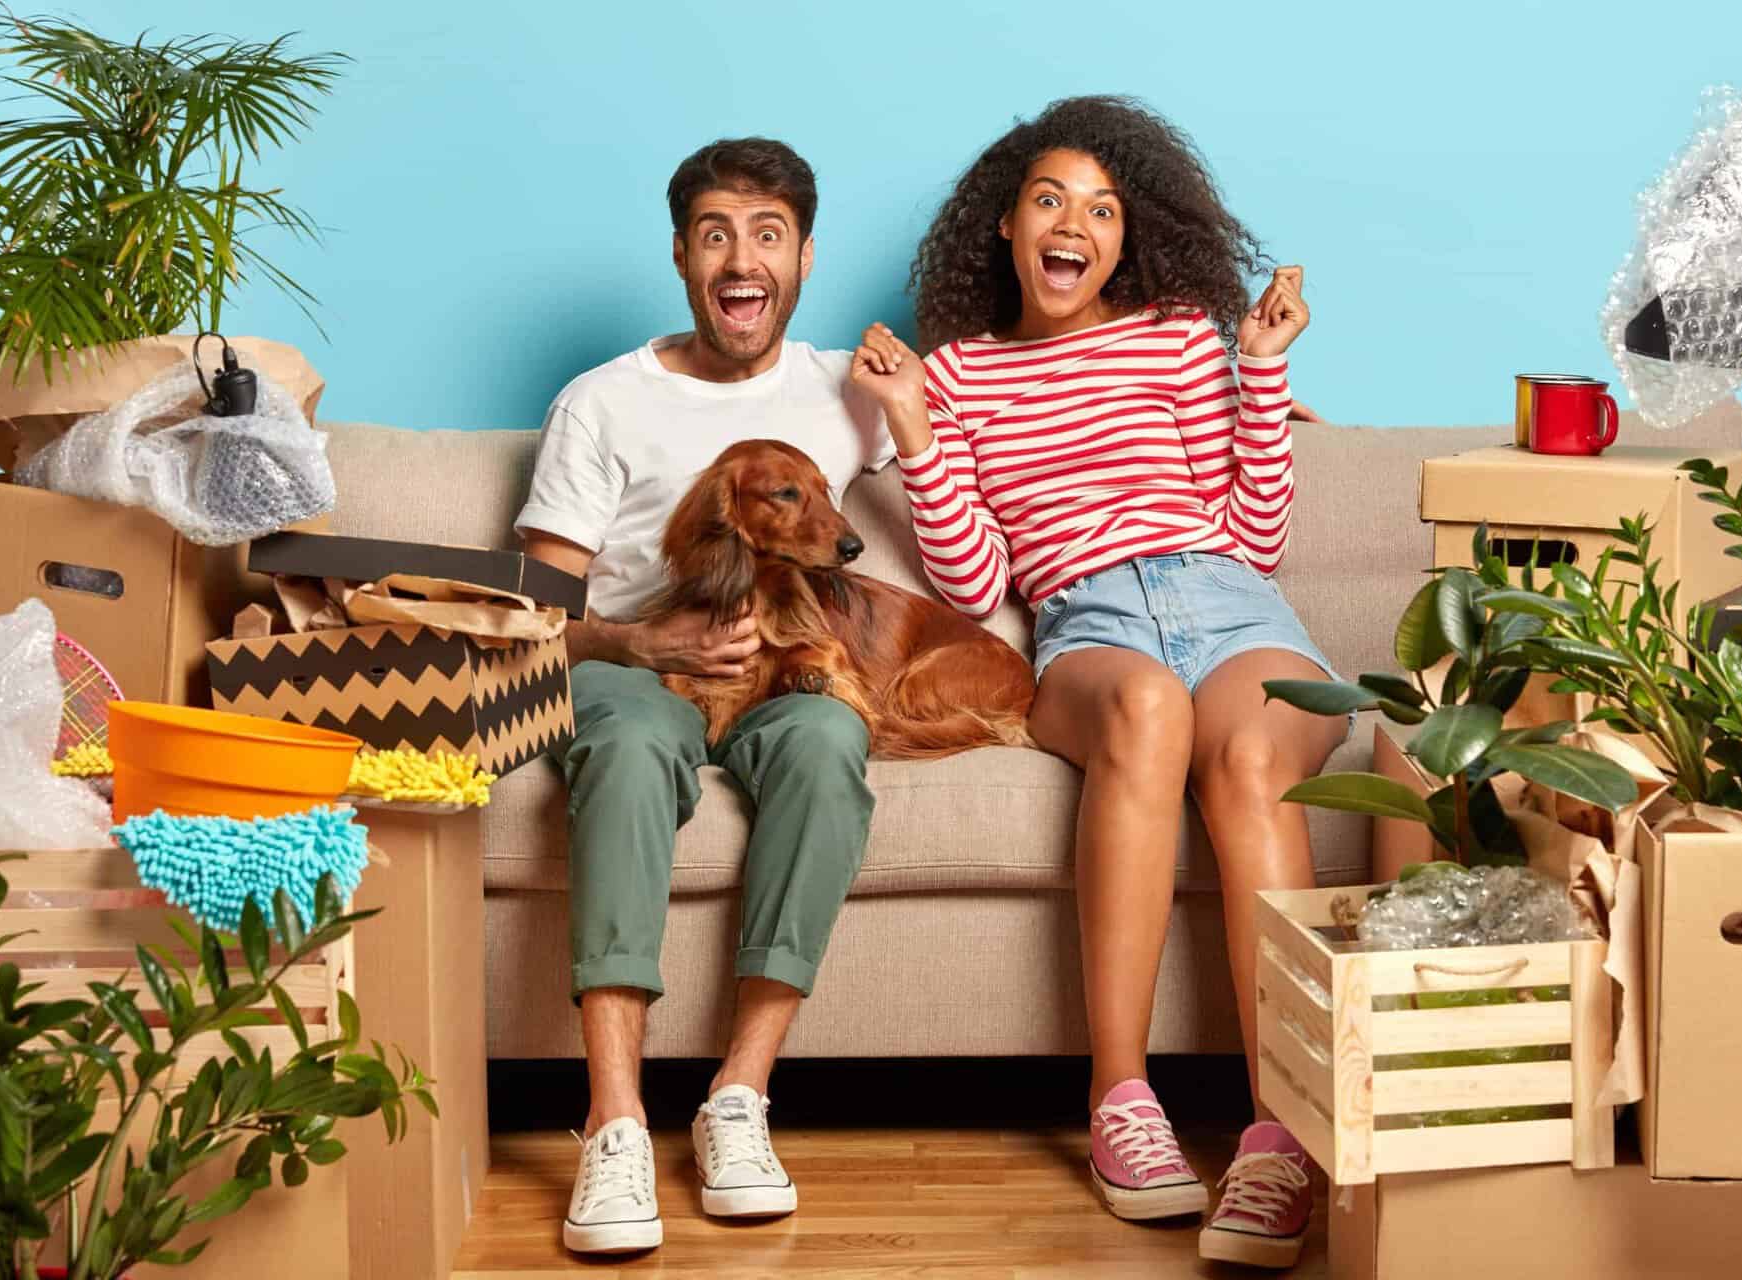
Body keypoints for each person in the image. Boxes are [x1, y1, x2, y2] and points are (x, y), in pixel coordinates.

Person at [850, 95, 1339, 1270]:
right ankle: (1121, 1099)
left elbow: (1254, 534)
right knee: (1146, 706)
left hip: (1228, 598)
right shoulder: (960, 373)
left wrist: (1259, 370)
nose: (1077, 224)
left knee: (1255, 747)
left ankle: (1282, 1132)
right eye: (1051, 200)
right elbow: (976, 580)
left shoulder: (1178, 337)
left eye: (1104, 209)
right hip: (1088, 623)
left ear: (1128, 241)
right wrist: (916, 428)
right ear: (1008, 230)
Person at [517, 137, 893, 1256]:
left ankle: (738, 1096)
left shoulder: (844, 393)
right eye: (718, 232)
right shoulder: (602, 401)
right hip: (639, 671)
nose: (743, 258)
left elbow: (981, 460)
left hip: (780, 676)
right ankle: (617, 1121)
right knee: (627, 754)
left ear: (805, 258)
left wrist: (1246, 403)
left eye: (768, 234)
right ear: (683, 254)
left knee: (830, 740)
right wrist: (637, 637)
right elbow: (537, 611)